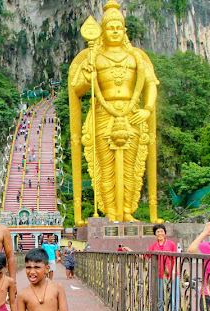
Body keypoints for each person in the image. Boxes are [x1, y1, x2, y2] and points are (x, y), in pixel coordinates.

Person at [69, 0, 161, 224]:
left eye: (119, 27)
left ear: (125, 30)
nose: (115, 31)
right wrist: (89, 77)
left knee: (132, 166)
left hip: (132, 113)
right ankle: (110, 212)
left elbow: (150, 85)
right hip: (103, 112)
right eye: (110, 27)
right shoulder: (93, 57)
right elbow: (77, 89)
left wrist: (147, 109)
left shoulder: (137, 57)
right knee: (105, 165)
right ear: (102, 31)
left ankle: (128, 210)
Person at [147, 224, 179, 311]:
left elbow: (176, 258)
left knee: (174, 298)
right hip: (160, 276)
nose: (160, 233)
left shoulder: (171, 244)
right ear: (155, 234)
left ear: (165, 233)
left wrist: (174, 272)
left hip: (171, 275)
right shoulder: (153, 246)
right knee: (160, 298)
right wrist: (130, 251)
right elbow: (145, 256)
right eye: (158, 232)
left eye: (162, 231)